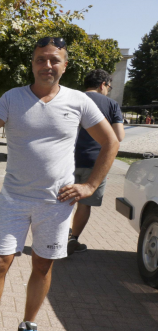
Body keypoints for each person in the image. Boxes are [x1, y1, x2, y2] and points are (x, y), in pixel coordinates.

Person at [0, 37, 119, 331]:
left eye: (54, 60)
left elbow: (111, 142)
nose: (47, 66)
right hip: (14, 198)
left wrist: (90, 186)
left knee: (43, 266)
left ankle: (28, 325)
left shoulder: (79, 101)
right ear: (32, 63)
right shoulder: (12, 98)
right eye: (41, 59)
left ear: (65, 65)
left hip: (56, 203)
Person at [68, 70, 125, 254]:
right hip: (95, 162)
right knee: (83, 204)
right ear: (102, 84)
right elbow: (119, 136)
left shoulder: (71, 97)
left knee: (63, 200)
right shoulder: (112, 105)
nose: (108, 90)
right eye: (109, 86)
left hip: (67, 159)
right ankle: (73, 240)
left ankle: (56, 238)